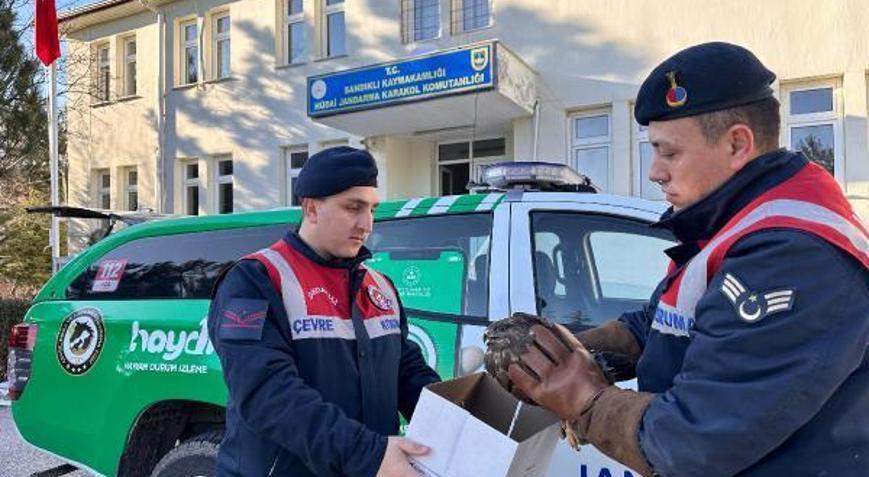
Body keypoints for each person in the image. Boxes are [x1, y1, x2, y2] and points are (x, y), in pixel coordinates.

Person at [504, 42, 868, 476]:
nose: (655, 171)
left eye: (668, 152)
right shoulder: (734, 224)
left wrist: (584, 398)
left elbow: (692, 440)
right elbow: (662, 323)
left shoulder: (791, 254)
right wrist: (573, 349)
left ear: (737, 145)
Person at [208, 146, 441, 477]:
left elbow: (408, 374)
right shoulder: (256, 278)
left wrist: (461, 423)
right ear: (311, 207)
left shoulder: (379, 286)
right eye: (353, 207)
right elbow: (266, 393)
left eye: (372, 209)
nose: (367, 224)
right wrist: (369, 455)